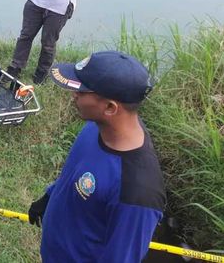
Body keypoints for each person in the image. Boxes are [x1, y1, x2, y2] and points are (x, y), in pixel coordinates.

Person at [29, 51, 165, 262]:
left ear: (110, 107)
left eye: (82, 92)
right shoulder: (97, 126)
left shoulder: (137, 193)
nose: (74, 95)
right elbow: (75, 171)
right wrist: (49, 197)